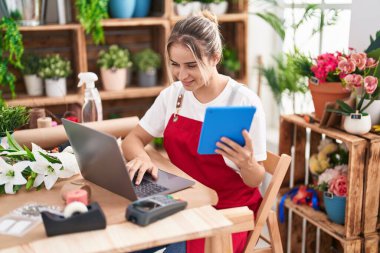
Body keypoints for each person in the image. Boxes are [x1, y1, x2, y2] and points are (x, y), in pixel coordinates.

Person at [122, 11, 267, 253]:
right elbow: (133, 139)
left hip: (227, 211)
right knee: (130, 242)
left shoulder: (241, 101)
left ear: (215, 58)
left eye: (191, 65)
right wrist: (141, 158)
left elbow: (255, 180)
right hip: (182, 201)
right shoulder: (174, 95)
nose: (182, 75)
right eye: (175, 65)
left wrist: (248, 164)